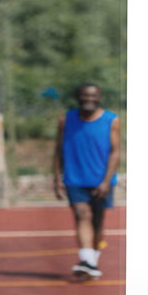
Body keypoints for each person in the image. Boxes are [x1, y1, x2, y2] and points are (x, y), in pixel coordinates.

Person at [53, 83, 121, 280]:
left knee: (98, 223)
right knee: (82, 214)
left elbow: (115, 152)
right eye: (85, 96)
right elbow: (58, 150)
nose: (88, 99)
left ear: (99, 98)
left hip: (101, 180)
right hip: (75, 178)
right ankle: (87, 261)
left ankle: (92, 261)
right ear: (78, 97)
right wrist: (56, 176)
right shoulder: (66, 119)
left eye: (93, 96)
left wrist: (106, 181)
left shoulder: (112, 120)